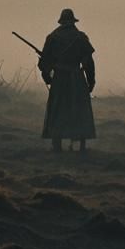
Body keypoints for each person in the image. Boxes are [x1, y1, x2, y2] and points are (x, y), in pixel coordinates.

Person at [39, 8, 96, 152]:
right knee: (79, 110)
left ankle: (56, 145)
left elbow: (44, 63)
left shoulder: (52, 37)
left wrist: (48, 77)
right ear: (73, 21)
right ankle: (82, 145)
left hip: (59, 79)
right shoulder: (81, 37)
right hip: (77, 78)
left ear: (61, 21)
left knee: (58, 110)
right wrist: (91, 82)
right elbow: (88, 63)